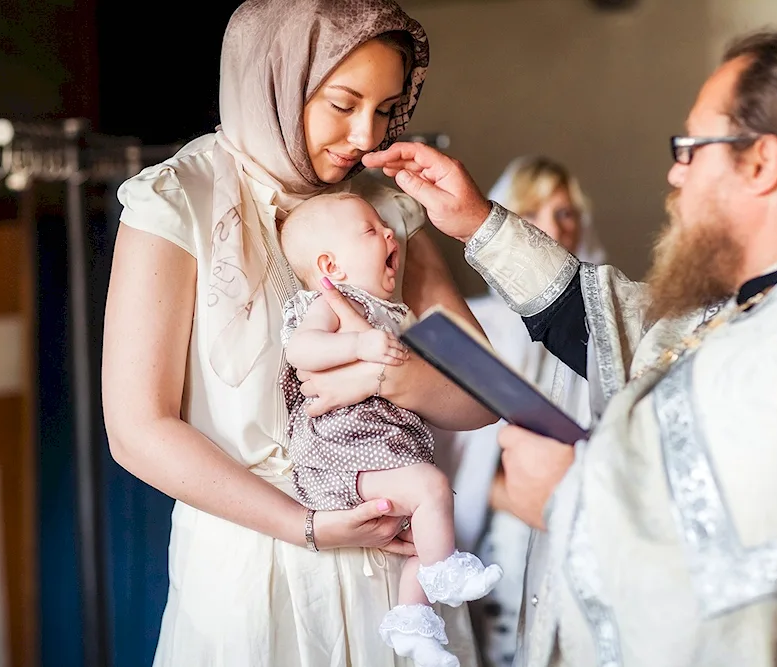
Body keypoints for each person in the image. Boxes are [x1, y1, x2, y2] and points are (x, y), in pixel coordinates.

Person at [365, 30, 777, 666]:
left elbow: (763, 587)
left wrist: (570, 498)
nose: (673, 172)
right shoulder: (764, 299)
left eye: (688, 148)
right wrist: (477, 223)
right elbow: (634, 334)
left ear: (762, 163)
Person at [101, 1, 495, 665]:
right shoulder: (176, 200)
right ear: (274, 81)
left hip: (391, 570)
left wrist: (387, 372)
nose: (364, 135)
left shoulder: (386, 208)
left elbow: (485, 391)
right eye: (342, 103)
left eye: (385, 108)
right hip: (252, 574)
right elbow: (137, 430)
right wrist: (307, 526)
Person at [279, 192, 503, 667]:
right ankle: (444, 572)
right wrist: (361, 342)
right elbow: (302, 351)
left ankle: (415, 628)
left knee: (425, 530)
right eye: (370, 230)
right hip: (341, 453)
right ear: (330, 265)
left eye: (386, 226)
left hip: (385, 450)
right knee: (432, 488)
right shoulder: (330, 302)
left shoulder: (395, 311)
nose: (388, 233)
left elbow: (470, 389)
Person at [434, 156, 604, 667]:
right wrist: (510, 496)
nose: (555, 227)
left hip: (578, 517)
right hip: (492, 525)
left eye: (567, 213)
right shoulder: (476, 324)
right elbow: (452, 445)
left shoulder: (602, 333)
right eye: (535, 211)